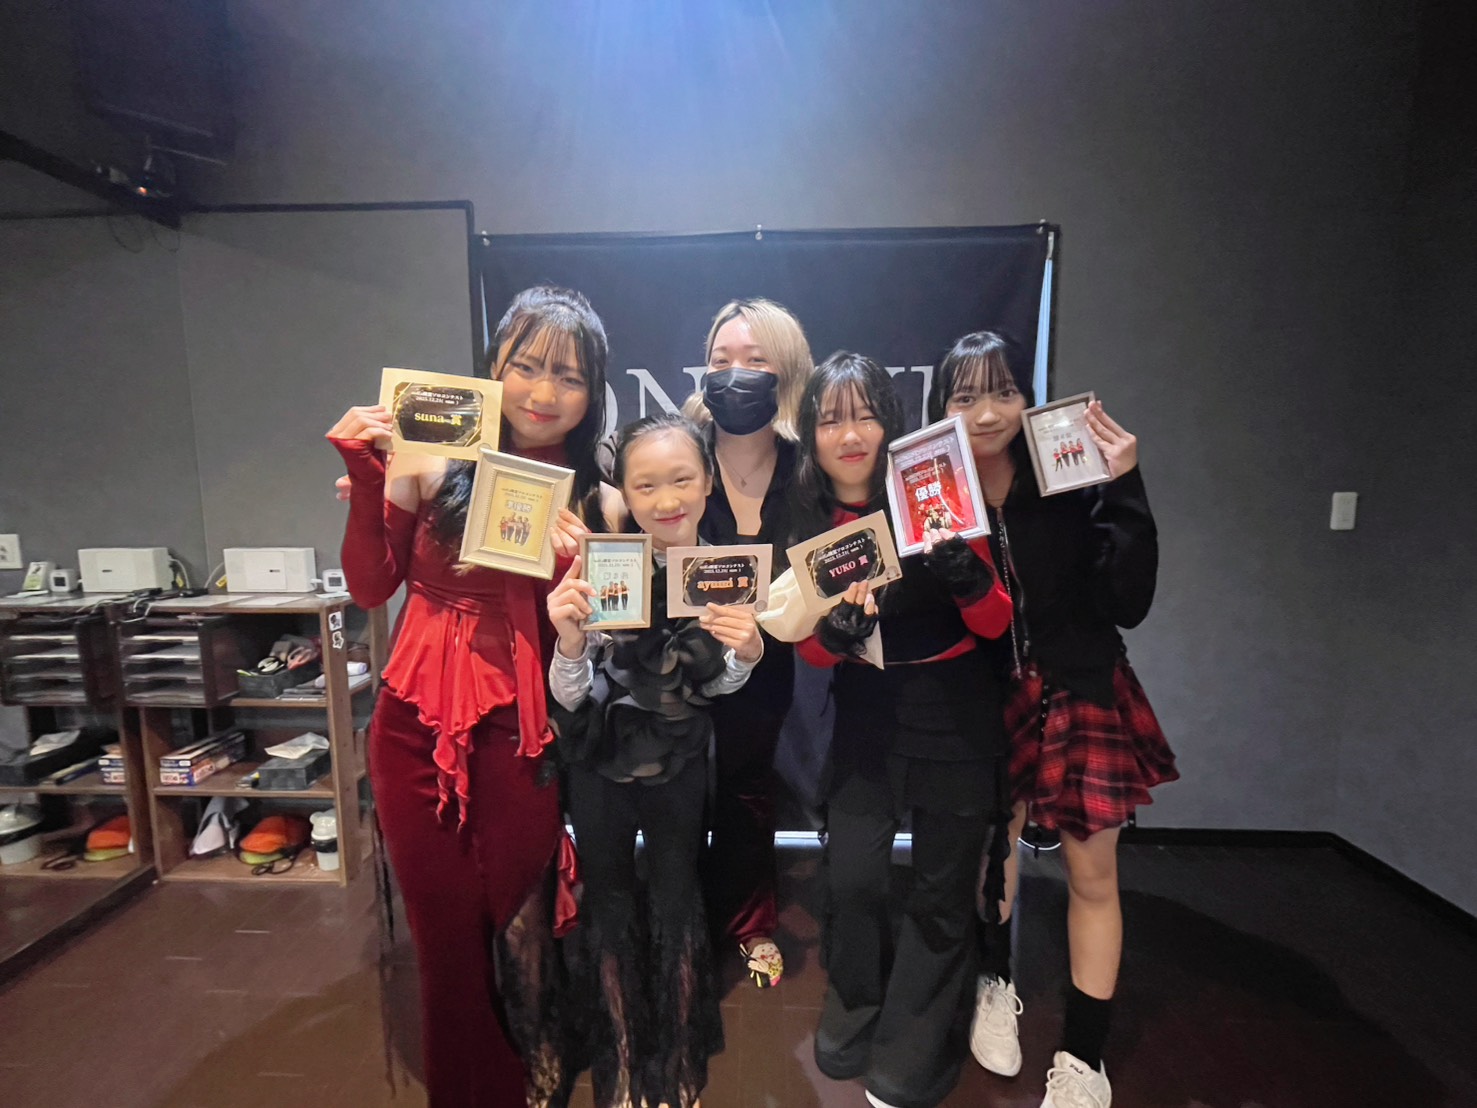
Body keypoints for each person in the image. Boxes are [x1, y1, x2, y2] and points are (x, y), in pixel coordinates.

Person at [326, 285, 609, 1108]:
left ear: (592, 391)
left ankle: (535, 1057)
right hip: (411, 728)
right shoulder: (434, 455)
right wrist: (368, 477)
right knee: (443, 942)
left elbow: (593, 630)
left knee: (515, 912)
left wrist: (573, 563)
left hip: (519, 732)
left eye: (569, 376)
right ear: (493, 368)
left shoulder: (599, 492)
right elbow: (371, 586)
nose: (543, 393)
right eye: (526, 366)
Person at [929, 331, 1178, 1108]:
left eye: (1002, 392)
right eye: (965, 397)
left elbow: (1128, 601)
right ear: (941, 408)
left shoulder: (1067, 474)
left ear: (1026, 399)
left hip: (1078, 686)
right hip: (985, 695)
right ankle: (993, 983)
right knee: (993, 855)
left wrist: (1125, 484)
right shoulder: (933, 492)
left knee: (1091, 875)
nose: (985, 413)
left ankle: (1083, 1056)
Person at [791, 353, 1013, 1108]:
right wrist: (837, 633)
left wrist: (966, 578)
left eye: (865, 414)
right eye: (831, 419)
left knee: (942, 891)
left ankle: (915, 1038)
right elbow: (809, 650)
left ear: (890, 422)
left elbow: (996, 622)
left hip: (955, 712)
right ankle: (855, 1001)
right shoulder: (808, 517)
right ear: (811, 434)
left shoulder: (932, 490)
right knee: (853, 878)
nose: (850, 434)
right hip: (867, 715)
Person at [547, 412, 765, 1108]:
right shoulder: (604, 563)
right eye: (646, 485)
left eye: (681, 480)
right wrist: (569, 643)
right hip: (599, 762)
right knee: (609, 899)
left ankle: (672, 1057)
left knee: (675, 893)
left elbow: (713, 688)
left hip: (679, 760)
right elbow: (570, 697)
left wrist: (746, 655)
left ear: (708, 481)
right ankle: (617, 1051)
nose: (666, 500)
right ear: (624, 491)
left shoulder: (725, 570)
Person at [682, 297, 814, 988]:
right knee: (676, 788)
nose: (735, 374)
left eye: (755, 361)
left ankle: (749, 919)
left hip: (766, 664)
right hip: (675, 661)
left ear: (785, 372)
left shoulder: (806, 469)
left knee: (748, 788)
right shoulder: (677, 451)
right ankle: (678, 920)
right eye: (721, 360)